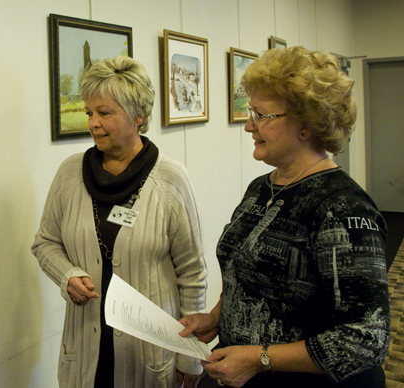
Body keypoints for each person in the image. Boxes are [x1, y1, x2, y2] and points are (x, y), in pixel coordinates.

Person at [179, 46, 389, 388]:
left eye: (262, 115)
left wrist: (259, 358)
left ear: (306, 125)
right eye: (251, 112)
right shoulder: (261, 188)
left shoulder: (342, 207)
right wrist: (217, 317)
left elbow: (365, 340)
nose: (249, 126)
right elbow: (247, 278)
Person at [32, 56, 207, 388]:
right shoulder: (70, 174)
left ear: (137, 115)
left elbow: (192, 273)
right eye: (89, 113)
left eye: (104, 113)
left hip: (149, 355)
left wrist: (191, 355)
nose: (93, 124)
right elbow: (45, 243)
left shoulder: (171, 180)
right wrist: (67, 276)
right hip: (85, 352)